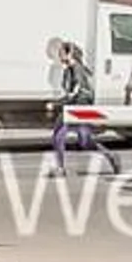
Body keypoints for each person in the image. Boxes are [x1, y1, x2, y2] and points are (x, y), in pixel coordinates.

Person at [45, 39, 112, 174]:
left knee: (85, 142)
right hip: (71, 107)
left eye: (61, 53)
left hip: (80, 107)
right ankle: (60, 168)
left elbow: (73, 94)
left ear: (70, 54)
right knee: (58, 136)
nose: (59, 56)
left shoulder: (77, 70)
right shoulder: (68, 70)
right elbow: (69, 93)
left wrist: (55, 104)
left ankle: (110, 156)